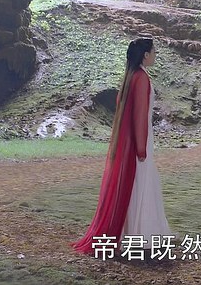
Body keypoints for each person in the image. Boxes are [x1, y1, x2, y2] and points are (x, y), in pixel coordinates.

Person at [72, 38, 172, 254]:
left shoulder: (131, 76)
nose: (155, 55)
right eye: (154, 52)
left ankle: (131, 232)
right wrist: (141, 147)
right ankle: (140, 233)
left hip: (131, 140)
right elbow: (139, 115)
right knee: (139, 184)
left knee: (134, 184)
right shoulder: (141, 78)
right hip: (138, 141)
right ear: (145, 55)